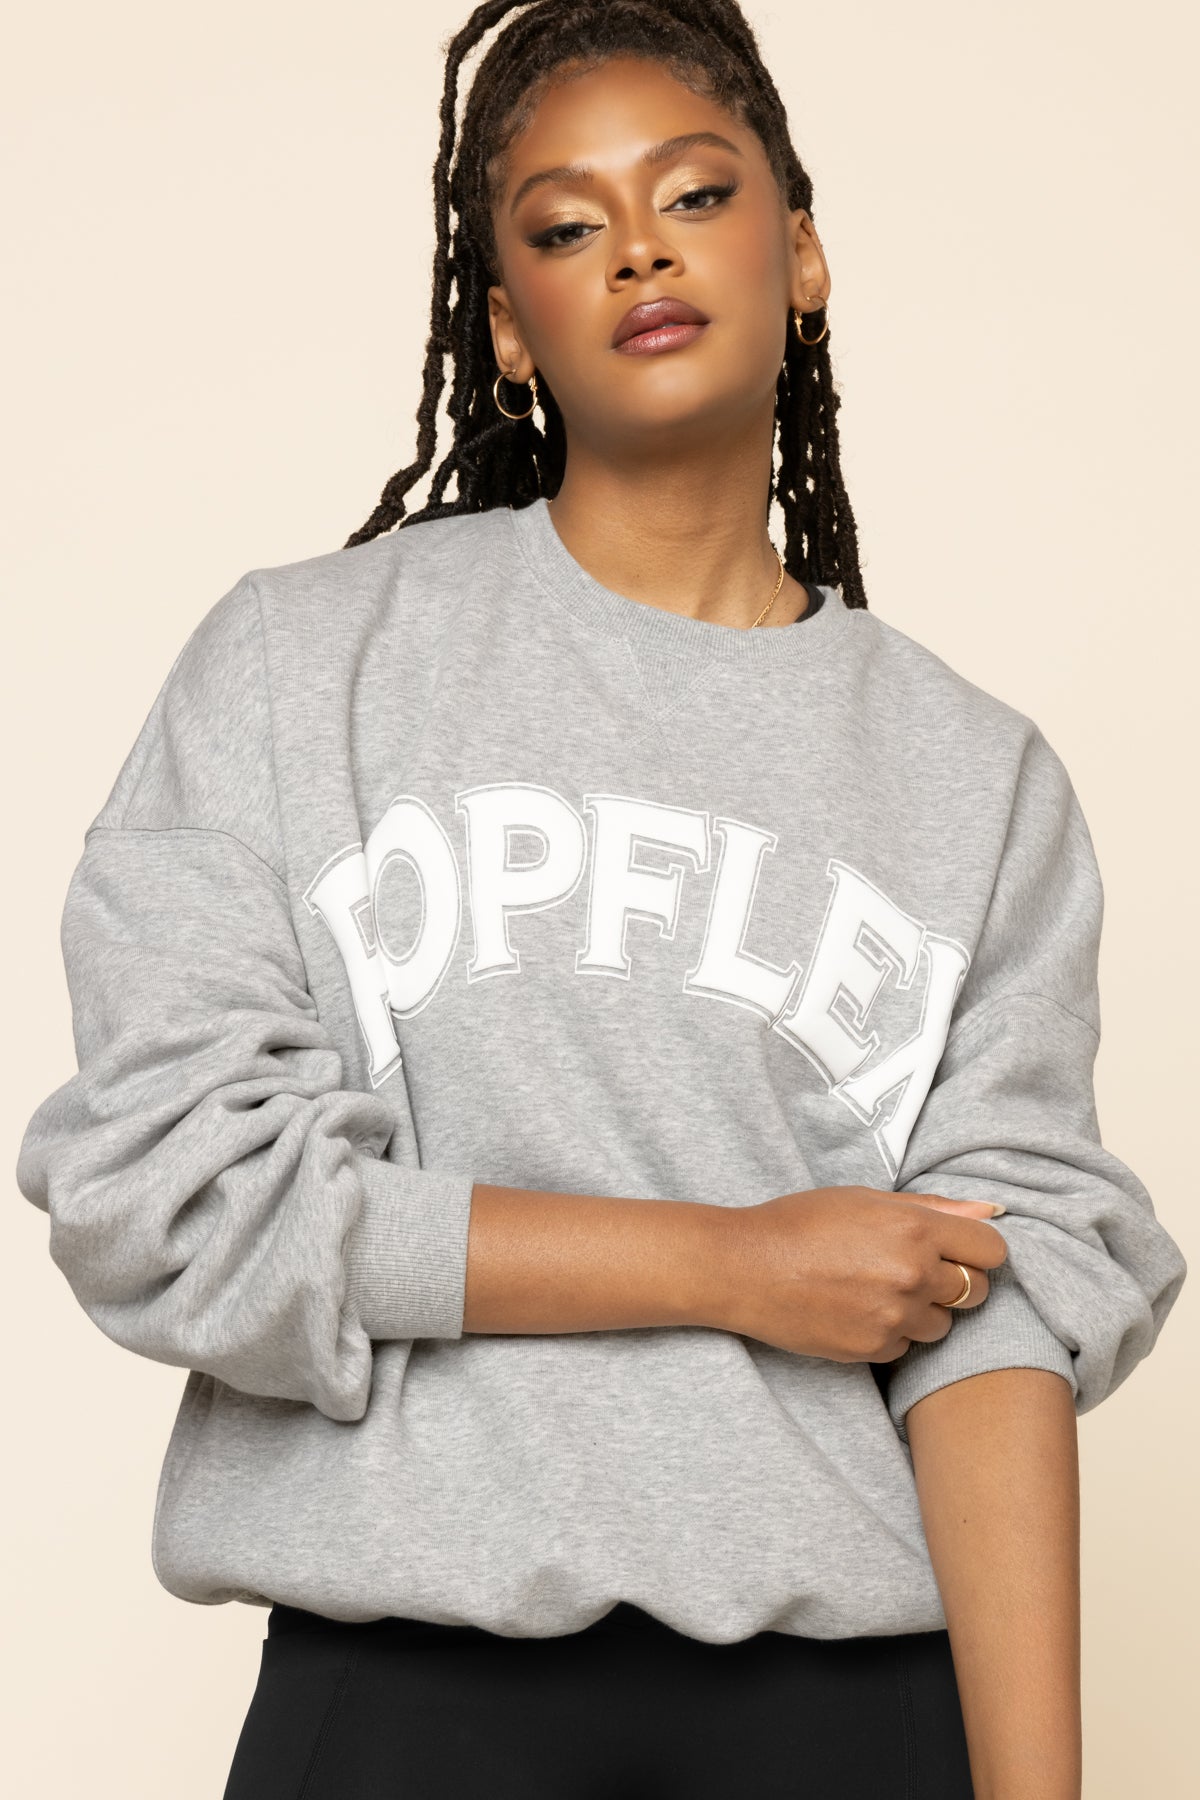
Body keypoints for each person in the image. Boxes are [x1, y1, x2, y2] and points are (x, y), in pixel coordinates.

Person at [15, 2, 1186, 1797]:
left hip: (850, 1714)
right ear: (508, 327)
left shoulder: (978, 777)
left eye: (696, 195)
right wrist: (732, 1264)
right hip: (402, 1702)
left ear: (802, 255)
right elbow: (177, 1199)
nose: (638, 248)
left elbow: (1001, 1315)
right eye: (565, 226)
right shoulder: (297, 671)